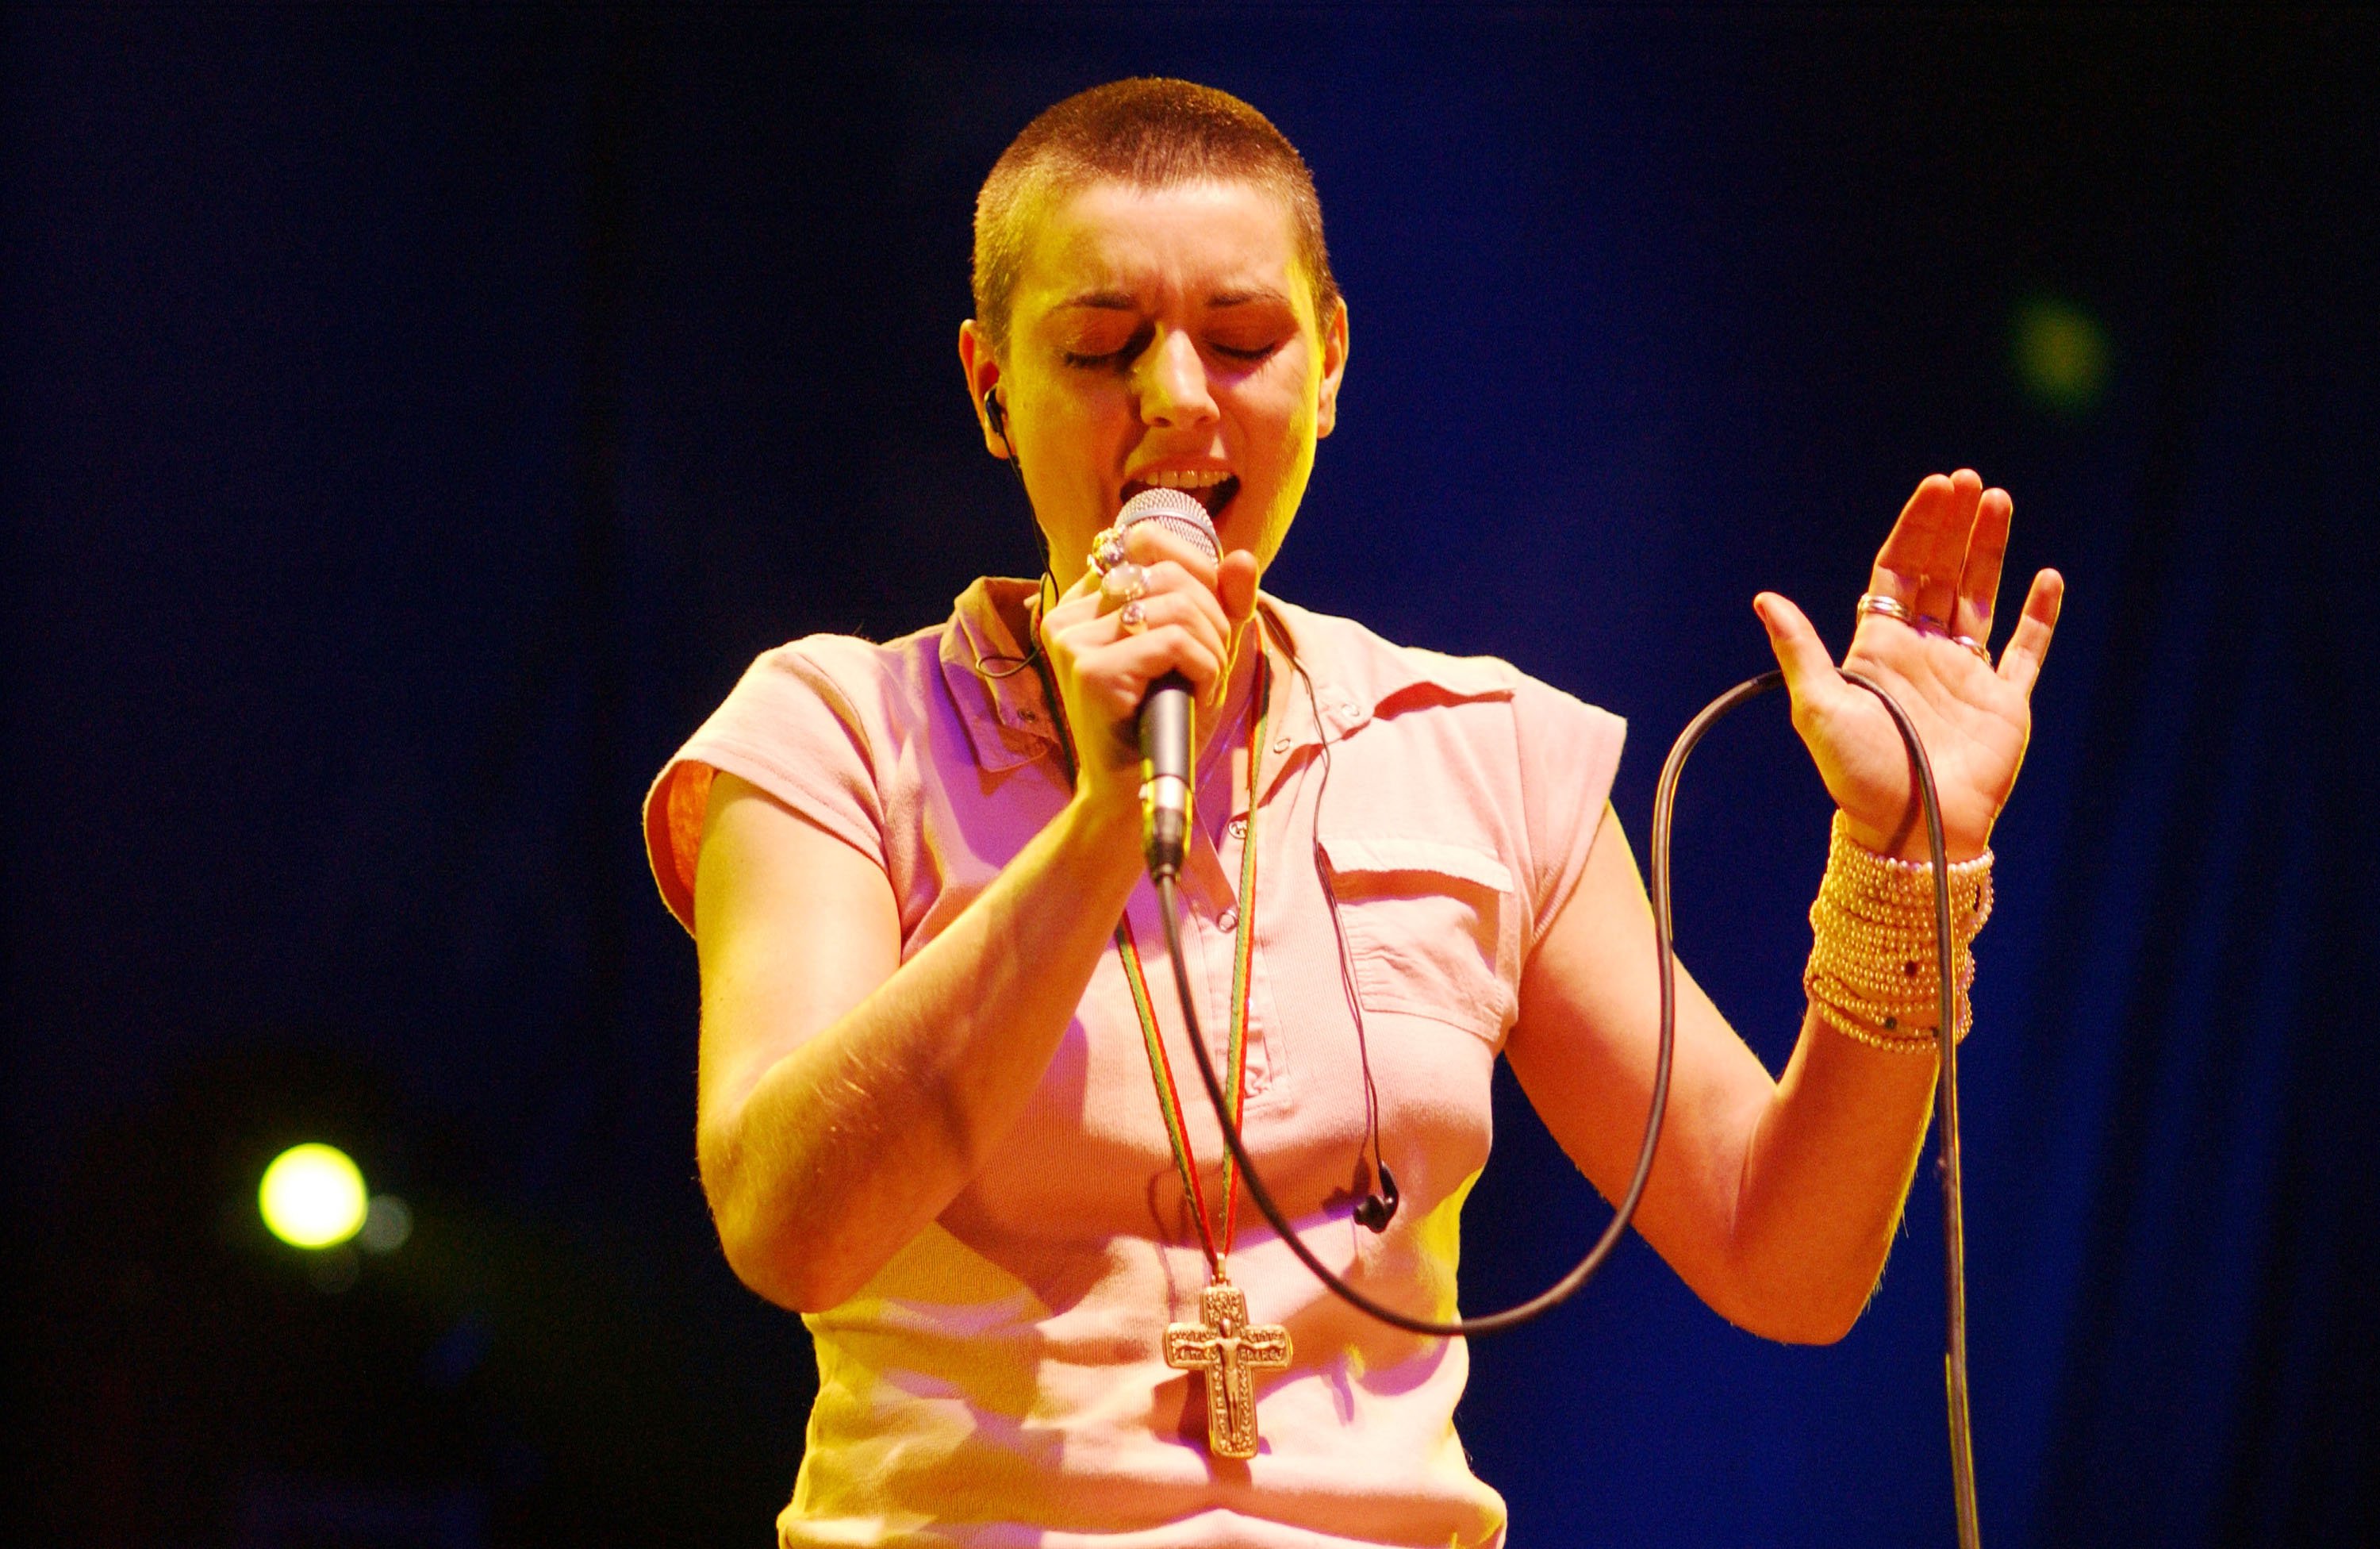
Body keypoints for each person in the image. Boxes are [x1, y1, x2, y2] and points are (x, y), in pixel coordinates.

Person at [643, 78, 2062, 1549]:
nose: (1180, 397)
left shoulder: (1483, 753)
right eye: (1100, 346)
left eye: (1245, 341)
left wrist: (1908, 860)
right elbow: (787, 1227)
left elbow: (1786, 1257)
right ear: (991, 387)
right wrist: (1099, 829)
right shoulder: (835, 732)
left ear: (1328, 367)